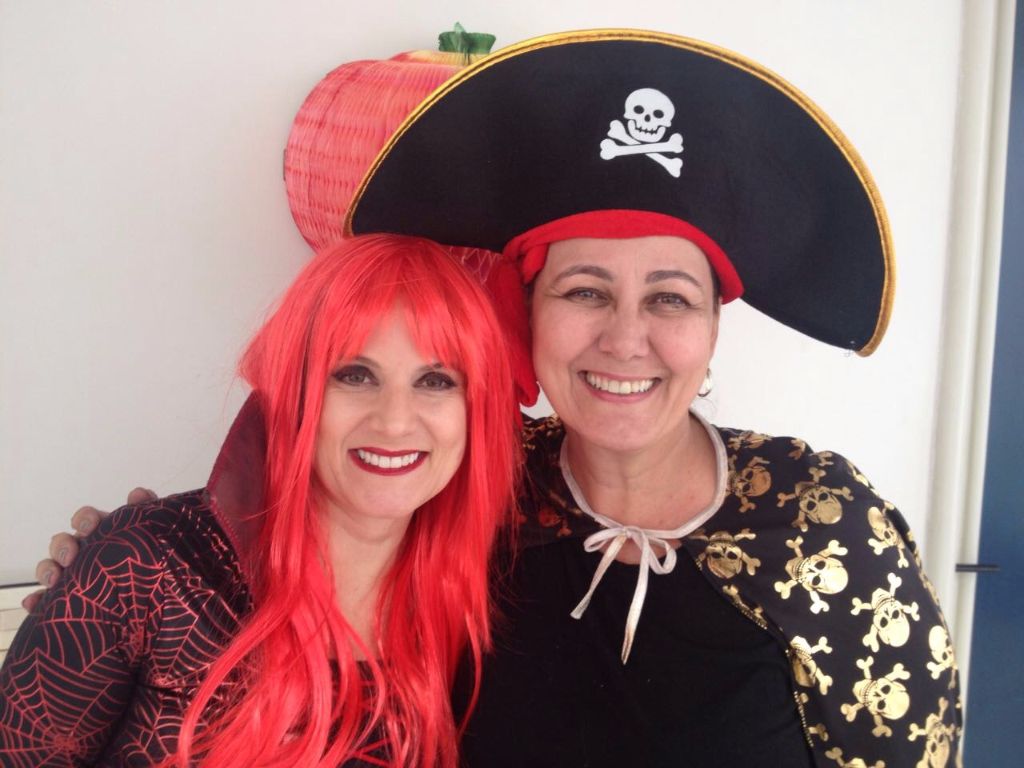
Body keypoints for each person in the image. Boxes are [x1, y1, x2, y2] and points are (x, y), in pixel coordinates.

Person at [27, 30, 962, 768]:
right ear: (528, 318)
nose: (624, 338)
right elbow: (303, 512)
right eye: (584, 291)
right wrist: (125, 563)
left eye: (670, 299)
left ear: (714, 327)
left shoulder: (821, 524)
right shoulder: (486, 486)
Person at [0, 235, 520, 767]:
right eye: (355, 375)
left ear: (476, 409)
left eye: (435, 380)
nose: (394, 421)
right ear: (294, 391)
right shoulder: (148, 566)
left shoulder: (481, 602)